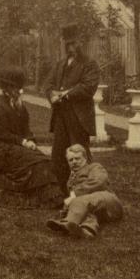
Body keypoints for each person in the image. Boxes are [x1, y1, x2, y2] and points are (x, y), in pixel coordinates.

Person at [0, 68, 63, 209]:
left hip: (17, 146)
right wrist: (23, 142)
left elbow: (26, 129)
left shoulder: (21, 106)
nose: (19, 91)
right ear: (6, 88)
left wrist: (30, 139)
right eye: (14, 87)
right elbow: (1, 134)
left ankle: (42, 197)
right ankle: (31, 196)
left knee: (44, 160)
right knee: (36, 163)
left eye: (19, 87)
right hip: (1, 150)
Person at [48, 23, 103, 189]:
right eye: (68, 44)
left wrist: (65, 94)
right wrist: (51, 95)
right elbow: (48, 84)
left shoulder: (89, 64)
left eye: (74, 43)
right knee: (59, 154)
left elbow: (88, 87)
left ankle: (87, 189)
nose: (72, 47)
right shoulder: (60, 64)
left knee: (79, 154)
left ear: (80, 43)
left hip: (79, 117)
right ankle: (61, 191)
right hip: (60, 116)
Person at [47, 143, 125, 239]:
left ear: (85, 158)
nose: (74, 162)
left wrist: (74, 195)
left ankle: (66, 223)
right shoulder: (71, 180)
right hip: (97, 210)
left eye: (77, 158)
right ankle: (87, 230)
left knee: (79, 201)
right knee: (85, 210)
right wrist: (65, 210)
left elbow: (99, 181)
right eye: (71, 160)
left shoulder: (95, 167)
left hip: (110, 203)